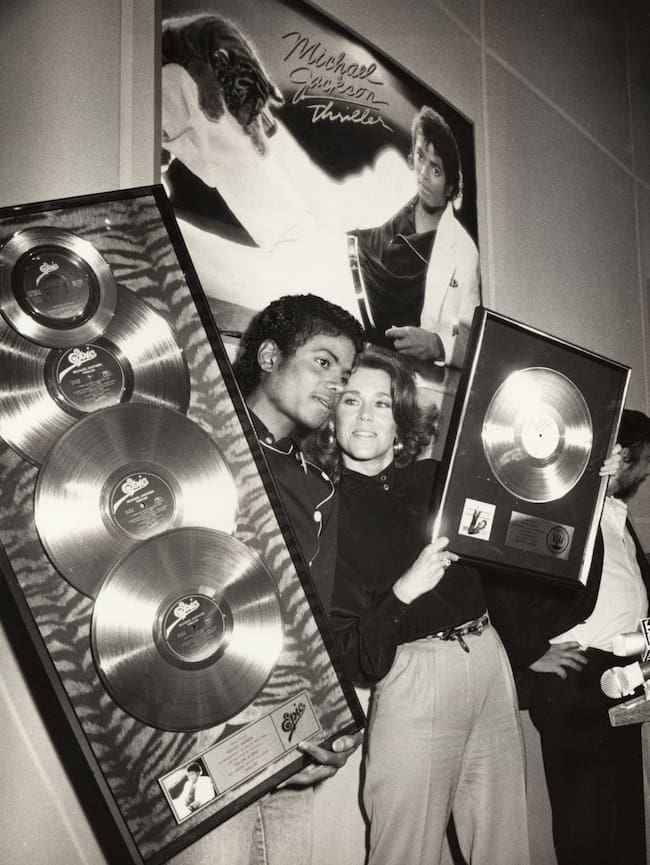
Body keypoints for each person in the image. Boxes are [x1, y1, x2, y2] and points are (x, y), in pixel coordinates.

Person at [312, 345, 530, 865]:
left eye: (381, 404)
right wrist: (403, 592)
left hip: (487, 659)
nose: (365, 416)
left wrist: (592, 478)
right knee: (404, 852)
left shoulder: (437, 477)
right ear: (330, 418)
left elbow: (523, 522)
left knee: (506, 846)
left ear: (401, 419)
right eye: (350, 401)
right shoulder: (325, 512)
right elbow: (353, 652)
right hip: (414, 678)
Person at [170, 295, 365, 865]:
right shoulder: (196, 441)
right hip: (198, 721)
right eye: (323, 362)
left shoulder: (320, 487)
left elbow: (316, 624)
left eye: (345, 375)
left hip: (286, 722)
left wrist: (331, 718)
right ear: (271, 355)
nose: (335, 385)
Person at [485, 408, 650, 865]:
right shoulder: (564, 507)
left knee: (624, 817)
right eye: (646, 458)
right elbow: (500, 567)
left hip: (625, 677)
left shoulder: (619, 518)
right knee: (587, 822)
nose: (649, 470)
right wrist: (532, 649)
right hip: (578, 675)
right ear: (624, 456)